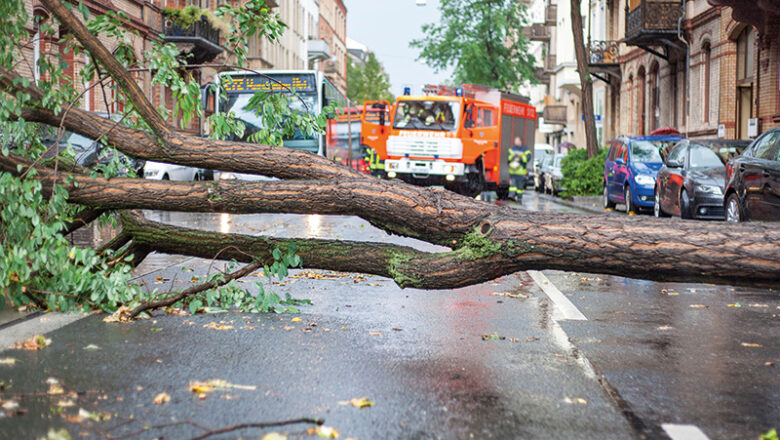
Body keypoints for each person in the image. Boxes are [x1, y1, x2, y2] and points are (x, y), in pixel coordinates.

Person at [508, 137, 531, 202]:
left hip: (521, 171)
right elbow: (509, 157)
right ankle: (512, 195)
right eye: (515, 140)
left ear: (520, 141)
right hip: (513, 171)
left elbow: (528, 158)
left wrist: (520, 159)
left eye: (517, 140)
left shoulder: (525, 149)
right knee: (512, 185)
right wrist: (514, 158)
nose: (515, 142)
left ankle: (519, 197)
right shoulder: (512, 149)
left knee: (520, 186)